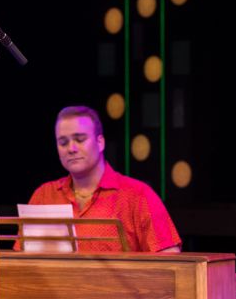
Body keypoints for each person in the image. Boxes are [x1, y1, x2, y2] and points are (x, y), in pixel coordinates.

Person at [27, 105, 181, 252]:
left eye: (80, 139)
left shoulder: (138, 195)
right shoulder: (44, 195)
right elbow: (21, 263)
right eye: (63, 142)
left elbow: (171, 264)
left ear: (100, 142)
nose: (71, 149)